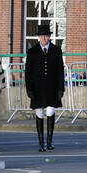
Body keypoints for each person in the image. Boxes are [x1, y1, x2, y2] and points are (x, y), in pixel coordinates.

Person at [25, 23, 64, 151]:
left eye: (46, 36)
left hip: (52, 88)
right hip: (37, 88)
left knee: (51, 111)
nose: (44, 39)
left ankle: (49, 142)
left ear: (49, 37)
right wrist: (29, 89)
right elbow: (28, 73)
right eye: (42, 36)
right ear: (38, 37)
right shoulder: (32, 51)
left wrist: (60, 89)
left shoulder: (56, 50)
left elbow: (60, 71)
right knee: (40, 113)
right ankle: (41, 143)